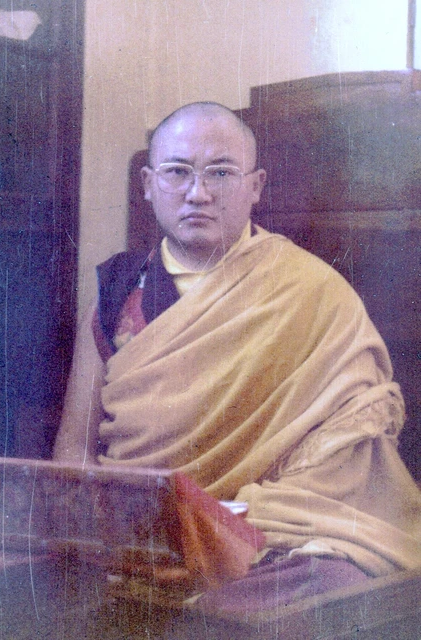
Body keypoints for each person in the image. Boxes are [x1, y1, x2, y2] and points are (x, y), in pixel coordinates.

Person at [54, 102, 421, 613]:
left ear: (256, 186)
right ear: (148, 184)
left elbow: (347, 457)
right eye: (177, 172)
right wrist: (111, 532)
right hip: (137, 535)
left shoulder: (315, 293)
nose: (198, 193)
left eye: (221, 173)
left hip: (263, 541)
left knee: (328, 583)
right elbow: (74, 451)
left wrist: (229, 533)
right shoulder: (116, 295)